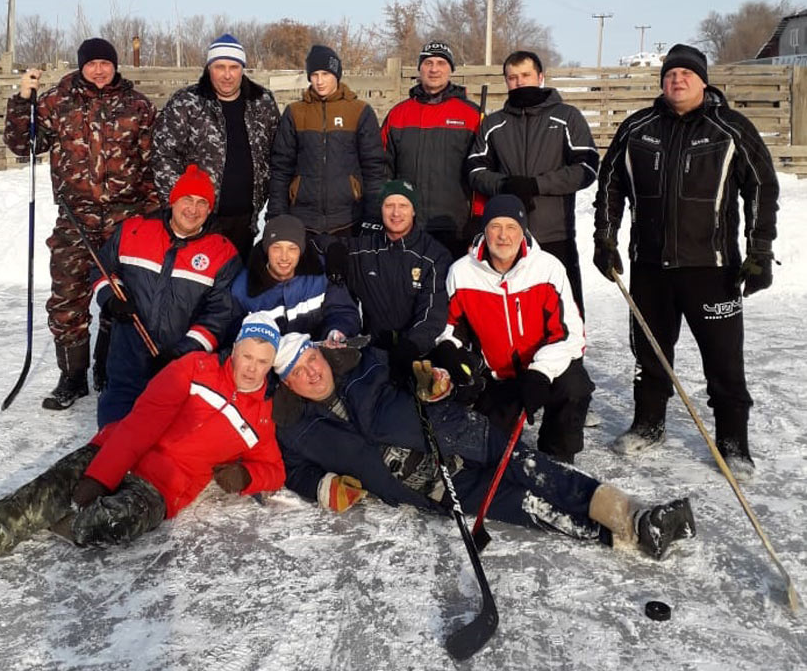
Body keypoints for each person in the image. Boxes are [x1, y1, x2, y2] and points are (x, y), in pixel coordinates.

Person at [0, 314, 285, 606]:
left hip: (158, 489)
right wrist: (101, 475)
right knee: (37, 497)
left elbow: (275, 470)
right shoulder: (193, 369)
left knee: (111, 521)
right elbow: (140, 423)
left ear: (271, 364)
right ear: (233, 351)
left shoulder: (261, 419)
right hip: (116, 450)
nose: (251, 368)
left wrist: (246, 476)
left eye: (262, 361)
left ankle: (63, 517)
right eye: (246, 356)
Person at [270, 333, 695, 562]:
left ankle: (635, 516)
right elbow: (295, 471)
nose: (311, 374)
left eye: (312, 362)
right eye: (298, 374)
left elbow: (425, 371)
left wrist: (434, 382)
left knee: (541, 474)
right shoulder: (293, 428)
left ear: (321, 354)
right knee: (525, 507)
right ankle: (618, 539)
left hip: (458, 434)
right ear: (288, 385)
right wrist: (325, 486)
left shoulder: (370, 362)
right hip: (431, 487)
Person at [593, 43, 779, 480]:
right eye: (670, 74)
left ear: (703, 81)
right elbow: (609, 185)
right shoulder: (638, 127)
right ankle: (648, 424)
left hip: (712, 268)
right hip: (650, 266)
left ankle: (733, 442)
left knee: (724, 359)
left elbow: (762, 189)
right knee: (650, 353)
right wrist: (605, 238)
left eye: (686, 75)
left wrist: (759, 252)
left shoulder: (729, 128)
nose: (677, 81)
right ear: (662, 82)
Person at [3, 37, 159, 410]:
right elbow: (22, 144)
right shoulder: (58, 101)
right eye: (93, 64)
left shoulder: (138, 106)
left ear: (116, 66)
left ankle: (108, 366)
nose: (100, 70)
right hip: (76, 219)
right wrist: (23, 99)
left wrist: (153, 214)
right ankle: (72, 377)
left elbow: (154, 163)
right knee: (67, 298)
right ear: (82, 66)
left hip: (126, 220)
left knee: (122, 297)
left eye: (107, 63)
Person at [436, 195, 593, 464]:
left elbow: (570, 334)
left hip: (543, 372)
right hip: (498, 376)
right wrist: (449, 347)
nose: (503, 236)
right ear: (484, 230)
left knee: (574, 387)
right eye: (495, 226)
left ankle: (558, 456)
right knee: (488, 454)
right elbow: (449, 326)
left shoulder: (547, 268)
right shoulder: (461, 272)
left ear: (523, 231)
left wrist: (540, 373)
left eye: (512, 227)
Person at [93, 164, 241, 428]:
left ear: (209, 210)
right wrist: (111, 299)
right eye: (187, 199)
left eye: (202, 203)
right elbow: (100, 269)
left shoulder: (223, 254)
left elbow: (219, 317)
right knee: (111, 445)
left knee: (164, 455)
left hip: (179, 372)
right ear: (173, 200)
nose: (193, 210)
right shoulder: (134, 230)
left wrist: (180, 354)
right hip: (126, 365)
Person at [467, 50, 598, 318]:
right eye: (512, 78)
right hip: (507, 237)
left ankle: (571, 359)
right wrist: (506, 185)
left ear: (540, 77)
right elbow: (474, 170)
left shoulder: (567, 117)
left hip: (554, 233)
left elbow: (586, 168)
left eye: (525, 75)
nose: (519, 82)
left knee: (564, 310)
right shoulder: (494, 123)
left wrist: (537, 185)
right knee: (511, 312)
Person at [151, 33, 281, 260]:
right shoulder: (186, 102)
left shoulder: (262, 102)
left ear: (243, 68)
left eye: (234, 67)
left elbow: (277, 153)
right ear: (209, 68)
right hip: (198, 218)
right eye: (220, 67)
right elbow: (163, 156)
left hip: (246, 218)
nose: (228, 75)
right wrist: (183, 207)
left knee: (236, 283)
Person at [333, 179, 452, 383]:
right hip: (372, 352)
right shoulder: (364, 248)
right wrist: (333, 250)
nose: (396, 213)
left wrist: (411, 346)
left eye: (403, 206)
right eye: (389, 205)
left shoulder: (434, 256)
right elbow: (316, 246)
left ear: (414, 211)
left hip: (417, 354)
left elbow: (433, 312)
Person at [267, 44, 386, 238]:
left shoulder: (359, 111)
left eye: (325, 74)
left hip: (348, 218)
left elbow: (374, 168)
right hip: (303, 219)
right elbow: (281, 167)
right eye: (314, 75)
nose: (320, 81)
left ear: (336, 74)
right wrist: (277, 213)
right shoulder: (295, 112)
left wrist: (372, 215)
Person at [380, 40, 480, 258]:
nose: (434, 69)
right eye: (428, 63)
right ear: (419, 68)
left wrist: (478, 219)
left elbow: (482, 172)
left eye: (441, 63)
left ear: (451, 69)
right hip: (407, 226)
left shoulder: (471, 115)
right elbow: (381, 169)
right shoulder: (399, 114)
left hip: (456, 227)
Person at [229, 214, 360, 346]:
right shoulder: (242, 288)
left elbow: (343, 311)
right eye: (276, 248)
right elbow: (232, 334)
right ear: (266, 250)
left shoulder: (321, 273)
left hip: (316, 356)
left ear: (301, 251)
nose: (284, 257)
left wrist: (336, 331)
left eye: (292, 248)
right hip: (268, 360)